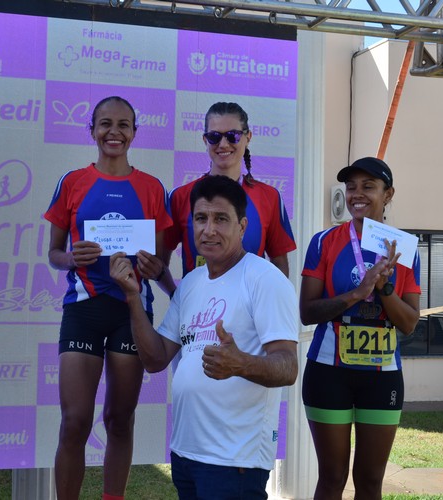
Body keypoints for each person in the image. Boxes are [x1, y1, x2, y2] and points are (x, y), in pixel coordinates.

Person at [110, 174, 299, 499]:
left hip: (235, 461)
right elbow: (155, 359)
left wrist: (241, 364)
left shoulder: (265, 279)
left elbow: (288, 367)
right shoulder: (192, 283)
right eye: (200, 218)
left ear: (242, 227)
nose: (208, 229)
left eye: (221, 219)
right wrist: (132, 296)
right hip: (186, 455)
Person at [43, 96, 174, 500]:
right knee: (75, 422)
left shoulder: (152, 188)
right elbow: (54, 253)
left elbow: (159, 261)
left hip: (130, 312)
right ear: (92, 130)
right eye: (104, 124)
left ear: (135, 132)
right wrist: (71, 258)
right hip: (83, 309)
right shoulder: (72, 181)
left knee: (119, 420)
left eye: (122, 124)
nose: (113, 132)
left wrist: (160, 276)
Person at [299, 156, 421, 499]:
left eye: (368, 186)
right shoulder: (324, 241)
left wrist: (383, 289)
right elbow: (307, 312)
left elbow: (409, 323)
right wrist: (358, 292)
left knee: (369, 481)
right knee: (332, 477)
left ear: (388, 193)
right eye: (351, 186)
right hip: (328, 371)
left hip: (382, 375)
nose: (357, 194)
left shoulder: (406, 248)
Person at [158, 102, 296, 286]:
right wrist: (178, 298)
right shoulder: (180, 196)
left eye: (233, 136)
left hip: (249, 313)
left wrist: (267, 304)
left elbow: (279, 264)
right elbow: (159, 262)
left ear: (248, 137)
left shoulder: (269, 197)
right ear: (205, 140)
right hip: (197, 311)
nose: (223, 144)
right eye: (214, 137)